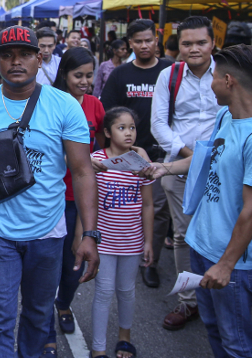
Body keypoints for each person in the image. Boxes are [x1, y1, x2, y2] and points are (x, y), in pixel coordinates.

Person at [0, 26, 100, 358]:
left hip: (48, 236)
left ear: (39, 58)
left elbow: (82, 171)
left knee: (37, 318)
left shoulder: (64, 106)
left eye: (24, 54)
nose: (15, 62)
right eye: (7, 55)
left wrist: (89, 233)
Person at [142, 44, 252, 358]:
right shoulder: (226, 116)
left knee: (238, 343)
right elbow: (207, 157)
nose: (208, 83)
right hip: (200, 247)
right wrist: (165, 168)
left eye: (213, 77)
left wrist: (226, 265)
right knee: (214, 329)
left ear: (228, 81)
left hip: (230, 261)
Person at [100, 18, 172, 289]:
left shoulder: (169, 71)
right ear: (130, 44)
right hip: (127, 157)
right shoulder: (121, 75)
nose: (144, 45)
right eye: (138, 41)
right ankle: (123, 250)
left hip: (162, 153)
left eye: (149, 40)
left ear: (157, 40)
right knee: (130, 205)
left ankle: (149, 261)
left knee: (158, 209)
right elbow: (108, 114)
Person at [42, 47, 105, 356]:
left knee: (73, 263)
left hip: (81, 198)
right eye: (78, 75)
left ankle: (64, 304)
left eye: (89, 75)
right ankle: (44, 328)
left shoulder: (95, 106)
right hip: (51, 196)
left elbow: (103, 149)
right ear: (63, 75)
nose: (84, 81)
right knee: (45, 266)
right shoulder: (49, 103)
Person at [90, 107, 154, 358]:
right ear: (106, 132)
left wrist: (148, 242)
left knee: (127, 291)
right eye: (121, 127)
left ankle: (124, 338)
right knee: (104, 292)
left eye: (132, 128)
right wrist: (84, 236)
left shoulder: (141, 165)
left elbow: (148, 205)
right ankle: (98, 348)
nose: (128, 133)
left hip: (132, 242)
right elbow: (89, 203)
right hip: (103, 242)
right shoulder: (96, 160)